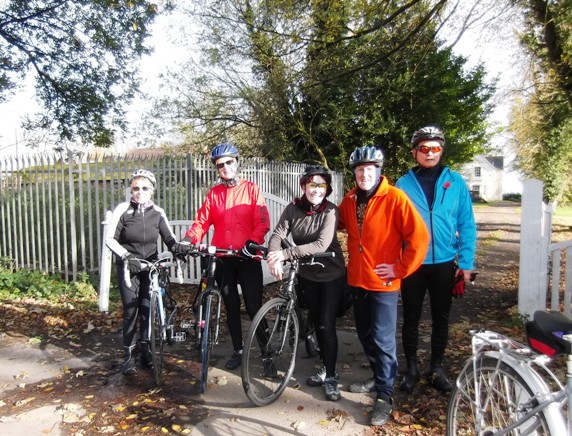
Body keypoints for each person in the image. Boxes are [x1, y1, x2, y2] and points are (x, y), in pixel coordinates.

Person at [338, 145, 429, 426]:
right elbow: (335, 222)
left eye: (369, 169)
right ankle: (379, 377)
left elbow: (420, 238)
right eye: (359, 170)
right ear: (354, 173)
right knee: (365, 334)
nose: (364, 174)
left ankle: (385, 396)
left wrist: (400, 269)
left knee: (382, 339)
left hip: (383, 283)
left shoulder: (395, 198)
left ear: (378, 171)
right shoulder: (350, 200)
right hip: (357, 279)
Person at [395, 126, 476, 393]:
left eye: (435, 148)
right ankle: (412, 369)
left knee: (441, 318)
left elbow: (466, 223)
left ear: (441, 150)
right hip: (413, 263)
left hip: (444, 262)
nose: (429, 153)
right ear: (414, 152)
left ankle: (436, 368)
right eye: (424, 148)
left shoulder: (456, 182)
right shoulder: (403, 184)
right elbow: (394, 227)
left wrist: (466, 263)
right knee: (410, 318)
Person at [183, 143, 270, 370]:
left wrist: (252, 242)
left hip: (247, 257)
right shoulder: (214, 194)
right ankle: (238, 350)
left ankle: (267, 352)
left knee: (253, 306)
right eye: (220, 165)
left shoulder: (251, 189)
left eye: (229, 162)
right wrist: (189, 239)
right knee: (231, 306)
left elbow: (262, 221)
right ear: (217, 168)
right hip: (223, 258)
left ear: (236, 162)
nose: (225, 167)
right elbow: (201, 221)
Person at [266, 165, 346, 401]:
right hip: (307, 273)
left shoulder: (330, 211)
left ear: (327, 189)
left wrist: (285, 255)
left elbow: (321, 244)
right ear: (304, 186)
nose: (316, 189)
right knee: (315, 318)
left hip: (330, 274)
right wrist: (273, 256)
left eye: (321, 185)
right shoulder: (293, 209)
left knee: (325, 323)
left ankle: (330, 375)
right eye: (312, 184)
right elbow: (277, 235)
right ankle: (322, 357)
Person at [106, 169, 185, 376]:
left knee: (146, 309)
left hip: (149, 267)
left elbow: (170, 238)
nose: (140, 191)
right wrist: (126, 256)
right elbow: (110, 239)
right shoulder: (123, 210)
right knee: (130, 312)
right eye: (136, 188)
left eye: (144, 188)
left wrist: (178, 250)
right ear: (131, 190)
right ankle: (129, 356)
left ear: (152, 190)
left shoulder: (157, 212)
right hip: (129, 267)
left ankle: (146, 350)